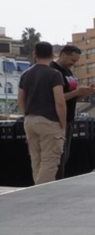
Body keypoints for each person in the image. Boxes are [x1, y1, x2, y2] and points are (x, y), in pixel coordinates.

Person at [17, 42, 67, 185]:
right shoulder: (54, 74)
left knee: (36, 160)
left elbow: (20, 100)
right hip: (49, 121)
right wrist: (62, 124)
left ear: (34, 54)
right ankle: (40, 193)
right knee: (50, 160)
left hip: (29, 120)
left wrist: (26, 115)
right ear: (52, 55)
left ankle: (37, 188)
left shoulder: (25, 74)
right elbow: (60, 102)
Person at [51, 44, 95, 179]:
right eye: (72, 60)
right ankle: (55, 182)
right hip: (57, 118)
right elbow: (56, 98)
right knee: (57, 156)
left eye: (76, 61)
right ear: (63, 55)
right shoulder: (54, 70)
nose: (74, 64)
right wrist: (77, 92)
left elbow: (72, 97)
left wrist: (84, 93)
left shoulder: (68, 72)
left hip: (68, 117)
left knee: (64, 156)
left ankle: (59, 180)